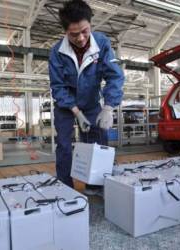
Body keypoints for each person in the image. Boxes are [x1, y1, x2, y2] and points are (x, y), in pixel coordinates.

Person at [48, 0, 124, 188]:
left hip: (91, 102)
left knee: (97, 141)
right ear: (65, 31)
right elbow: (58, 87)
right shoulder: (57, 52)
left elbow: (115, 76)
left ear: (90, 25)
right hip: (66, 106)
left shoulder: (102, 43)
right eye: (74, 34)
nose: (81, 38)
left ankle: (96, 185)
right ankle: (66, 186)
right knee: (64, 145)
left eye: (85, 31)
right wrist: (76, 112)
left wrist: (108, 107)